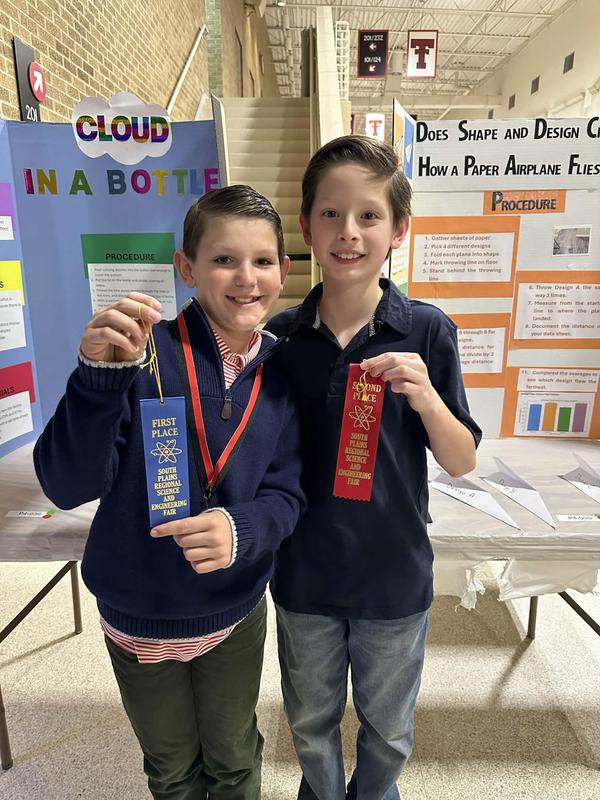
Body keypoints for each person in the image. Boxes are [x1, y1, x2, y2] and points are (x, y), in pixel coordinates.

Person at [34, 184, 305, 800]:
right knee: (171, 768)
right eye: (223, 259)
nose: (245, 278)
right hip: (139, 611)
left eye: (262, 261)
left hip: (232, 611)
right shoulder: (136, 352)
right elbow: (66, 483)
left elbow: (288, 493)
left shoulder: (287, 371)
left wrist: (243, 530)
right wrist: (98, 381)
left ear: (283, 271)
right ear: (186, 268)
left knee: (235, 758)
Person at [266, 136, 482, 800]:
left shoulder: (425, 330)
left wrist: (424, 396)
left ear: (398, 231)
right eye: (330, 214)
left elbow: (462, 459)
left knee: (388, 730)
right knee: (309, 722)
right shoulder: (279, 338)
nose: (348, 232)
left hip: (393, 573)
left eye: (368, 216)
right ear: (305, 227)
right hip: (304, 574)